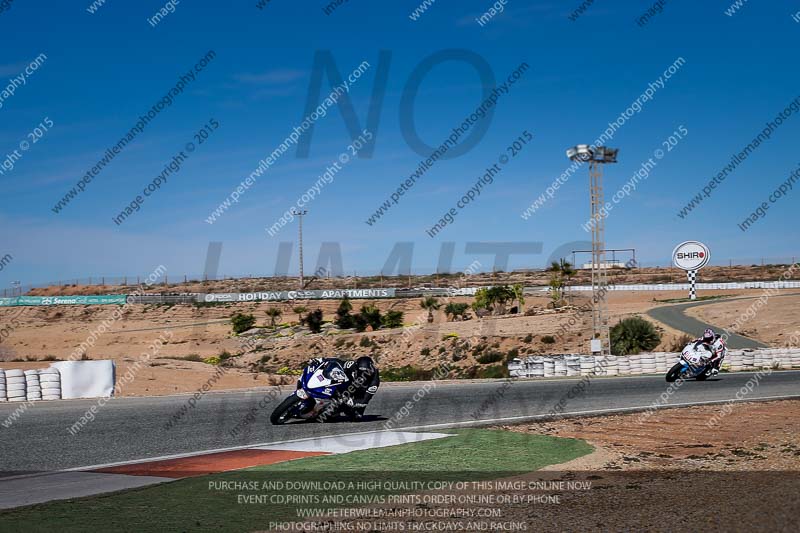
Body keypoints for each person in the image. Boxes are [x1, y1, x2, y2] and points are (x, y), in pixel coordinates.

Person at [304, 355, 380, 420]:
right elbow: (338, 362)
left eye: (365, 372)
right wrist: (321, 360)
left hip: (359, 395)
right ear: (356, 367)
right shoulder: (352, 365)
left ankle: (333, 412)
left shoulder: (374, 382)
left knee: (357, 416)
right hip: (346, 385)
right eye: (360, 372)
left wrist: (353, 403)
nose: (362, 374)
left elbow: (365, 400)